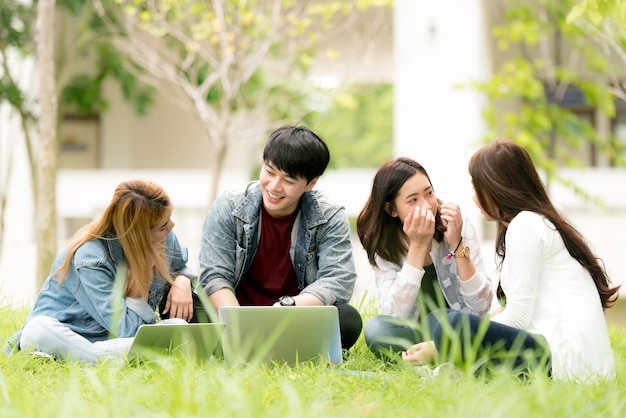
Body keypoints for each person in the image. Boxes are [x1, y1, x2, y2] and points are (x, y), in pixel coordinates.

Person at [405, 139, 620, 382]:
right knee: (440, 321)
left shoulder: (525, 225)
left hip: (564, 362)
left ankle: (448, 366)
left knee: (450, 326)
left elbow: (517, 318)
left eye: (478, 187)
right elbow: (510, 312)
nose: (474, 197)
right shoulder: (533, 223)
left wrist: (439, 346)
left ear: (496, 187)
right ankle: (453, 372)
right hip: (565, 357)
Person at [198, 125, 362, 350]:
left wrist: (287, 307)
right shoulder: (229, 206)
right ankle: (265, 346)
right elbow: (215, 276)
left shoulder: (329, 215)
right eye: (270, 171)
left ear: (311, 183)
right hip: (235, 312)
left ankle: (270, 345)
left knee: (346, 319)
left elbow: (338, 279)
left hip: (292, 315)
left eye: (289, 180)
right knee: (188, 308)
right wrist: (239, 325)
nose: (274, 186)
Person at [4, 179, 198, 364]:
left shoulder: (165, 238)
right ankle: (103, 358)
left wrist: (182, 280)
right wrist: (144, 270)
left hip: (112, 342)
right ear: (138, 235)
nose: (171, 227)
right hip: (70, 335)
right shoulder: (91, 258)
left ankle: (101, 357)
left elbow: (181, 267)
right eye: (163, 226)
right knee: (36, 330)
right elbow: (129, 331)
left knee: (178, 327)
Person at [356, 157, 494, 358]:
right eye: (413, 200)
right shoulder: (383, 246)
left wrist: (457, 245)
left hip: (458, 327)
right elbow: (395, 315)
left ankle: (438, 355)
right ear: (391, 209)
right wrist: (418, 247)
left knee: (440, 320)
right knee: (376, 328)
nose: (427, 205)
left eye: (429, 193)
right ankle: (436, 355)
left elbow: (482, 306)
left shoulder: (456, 226)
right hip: (416, 334)